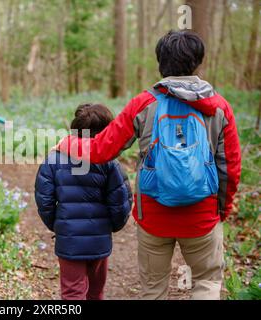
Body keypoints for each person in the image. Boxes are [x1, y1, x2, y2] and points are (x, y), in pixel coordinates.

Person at [56, 30, 241, 300]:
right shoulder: (219, 107)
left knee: (153, 289)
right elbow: (230, 166)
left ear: (160, 62)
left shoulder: (144, 104)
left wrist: (67, 144)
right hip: (202, 216)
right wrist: (222, 208)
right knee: (206, 283)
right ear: (198, 63)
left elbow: (101, 150)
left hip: (154, 216)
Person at [35, 103, 133, 300]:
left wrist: (59, 225)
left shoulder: (54, 159)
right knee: (96, 292)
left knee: (72, 293)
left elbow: (44, 200)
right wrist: (110, 227)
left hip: (69, 241)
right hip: (99, 240)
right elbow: (121, 201)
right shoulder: (110, 162)